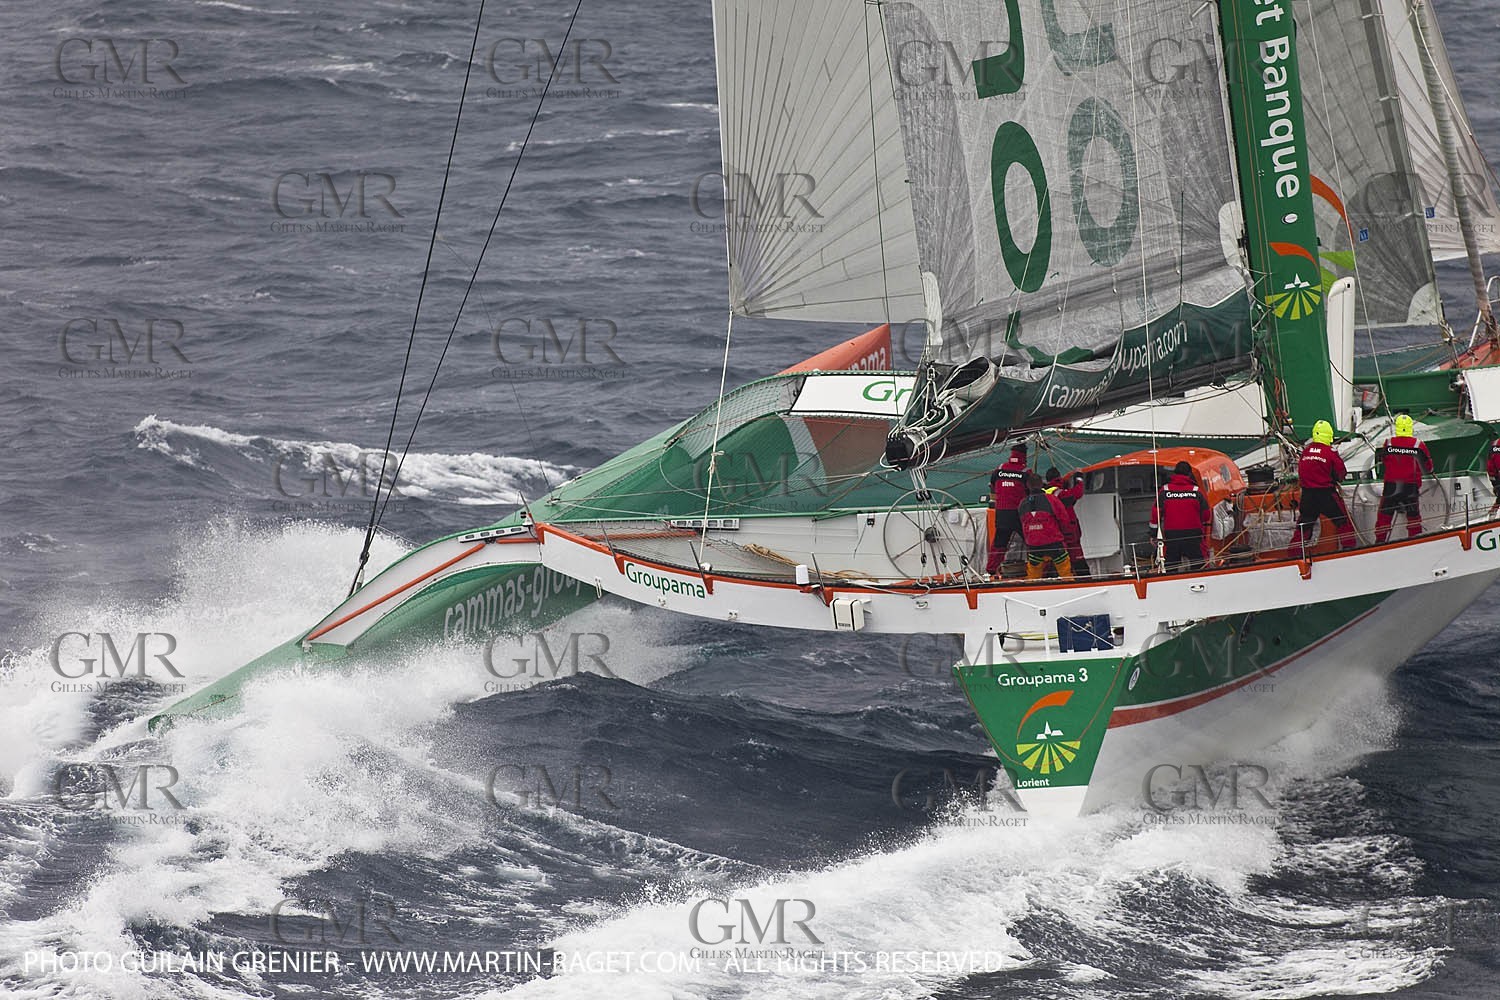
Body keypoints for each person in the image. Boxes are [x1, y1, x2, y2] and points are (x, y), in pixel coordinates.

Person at [1288, 419, 1355, 556]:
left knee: (1303, 527)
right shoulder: (1330, 452)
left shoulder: (1306, 452)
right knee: (1343, 522)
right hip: (1326, 495)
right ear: (1329, 434)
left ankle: (1294, 555)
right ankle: (1349, 550)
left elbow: (1301, 472)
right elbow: (1341, 473)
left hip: (1307, 496)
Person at [1374, 413, 1433, 543]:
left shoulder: (1388, 443)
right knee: (1413, 516)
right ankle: (1415, 540)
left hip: (1391, 486)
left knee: (1384, 516)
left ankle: (1380, 541)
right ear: (1411, 427)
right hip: (1410, 487)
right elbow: (1428, 467)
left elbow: (1384, 460)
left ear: (1397, 427)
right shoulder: (1418, 444)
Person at [1150, 460, 1210, 571]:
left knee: (1171, 567)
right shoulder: (1196, 491)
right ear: (1189, 474)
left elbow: (1155, 513)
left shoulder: (1165, 491)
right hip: (1193, 534)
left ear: (1175, 473)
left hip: (1172, 535)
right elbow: (1206, 515)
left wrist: (1153, 534)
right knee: (1199, 566)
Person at [1018, 473, 1073, 579]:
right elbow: (1064, 519)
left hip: (1033, 544)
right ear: (1041, 484)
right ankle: (1070, 586)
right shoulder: (1051, 499)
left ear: (1027, 485)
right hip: (1054, 543)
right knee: (1065, 573)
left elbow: (1022, 522)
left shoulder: (1022, 503)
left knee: (1033, 576)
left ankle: (1032, 588)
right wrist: (1066, 536)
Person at [986, 443, 1029, 575]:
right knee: (1032, 542)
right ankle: (1041, 571)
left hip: (1002, 513)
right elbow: (1031, 491)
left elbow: (992, 486)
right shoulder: (1025, 471)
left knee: (999, 544)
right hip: (1019, 514)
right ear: (1024, 455)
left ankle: (990, 571)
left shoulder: (999, 469)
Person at [1045, 466, 1089, 576]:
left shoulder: (1045, 492)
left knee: (1057, 559)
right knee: (1077, 558)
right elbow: (1077, 493)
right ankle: (1085, 578)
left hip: (1053, 532)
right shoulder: (1060, 493)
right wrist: (1079, 477)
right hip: (1069, 531)